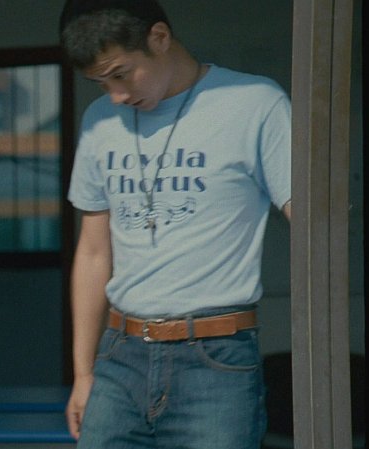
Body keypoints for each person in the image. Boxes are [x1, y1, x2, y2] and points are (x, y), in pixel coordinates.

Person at [59, 1, 291, 448]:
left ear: (159, 38)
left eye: (122, 74)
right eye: (101, 83)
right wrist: (83, 374)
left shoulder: (255, 103)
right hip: (119, 355)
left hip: (215, 354)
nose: (116, 95)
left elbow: (313, 222)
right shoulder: (98, 121)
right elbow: (92, 252)